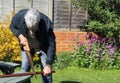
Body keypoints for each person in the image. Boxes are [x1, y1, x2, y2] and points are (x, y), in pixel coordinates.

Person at [10, 8, 56, 83]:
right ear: (25, 20)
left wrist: (48, 65)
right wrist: (20, 36)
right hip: (27, 46)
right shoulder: (19, 17)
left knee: (46, 73)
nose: (31, 30)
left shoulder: (46, 24)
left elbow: (51, 44)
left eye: (34, 28)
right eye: (29, 28)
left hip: (43, 47)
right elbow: (12, 27)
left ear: (38, 21)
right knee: (24, 71)